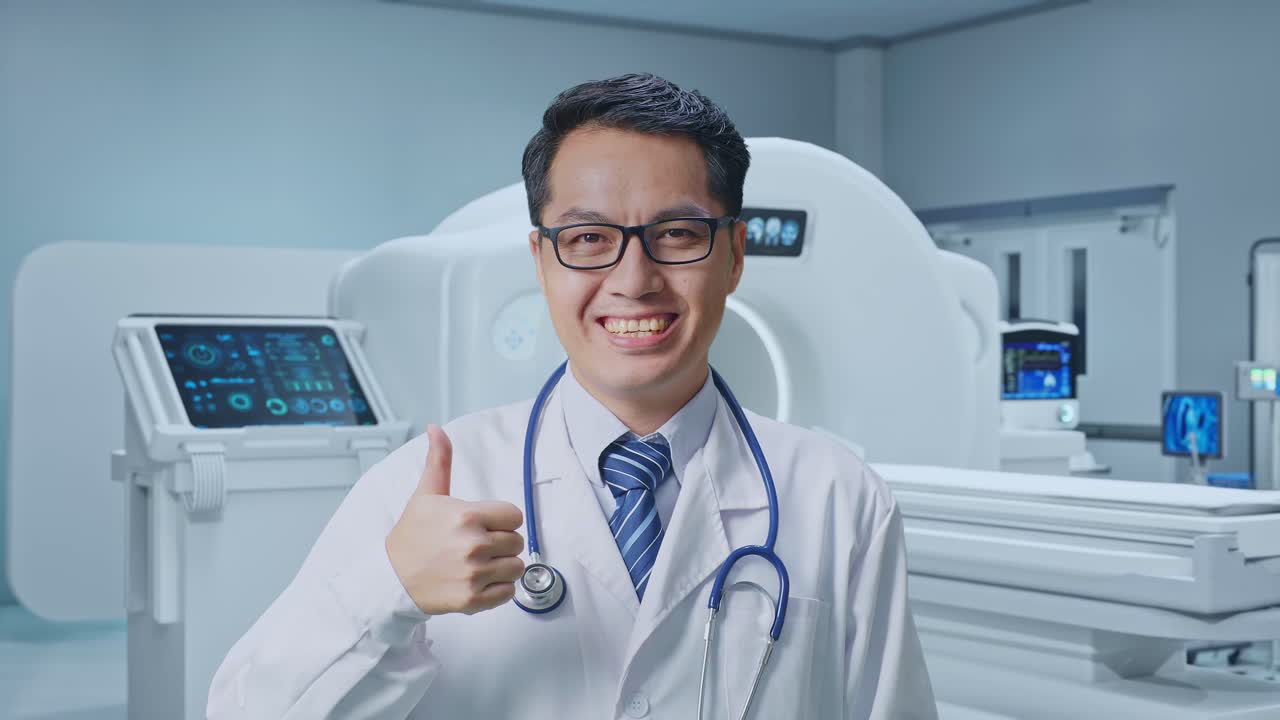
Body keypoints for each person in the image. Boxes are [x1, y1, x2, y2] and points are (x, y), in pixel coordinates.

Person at [208, 73, 936, 719]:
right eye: (588, 238)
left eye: (677, 234)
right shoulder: (424, 489)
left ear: (735, 255)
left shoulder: (839, 500)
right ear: (541, 260)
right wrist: (389, 590)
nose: (633, 278)